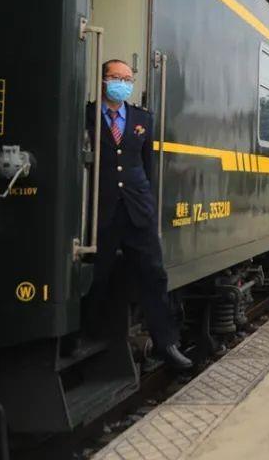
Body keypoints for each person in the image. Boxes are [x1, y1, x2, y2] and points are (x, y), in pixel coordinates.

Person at [85, 59, 192, 370]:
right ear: (103, 80)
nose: (122, 83)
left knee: (154, 276)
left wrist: (148, 204)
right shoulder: (87, 116)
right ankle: (86, 335)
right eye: (116, 77)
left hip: (138, 211)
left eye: (127, 78)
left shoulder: (141, 118)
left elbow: (147, 166)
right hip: (101, 210)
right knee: (96, 275)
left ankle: (167, 343)